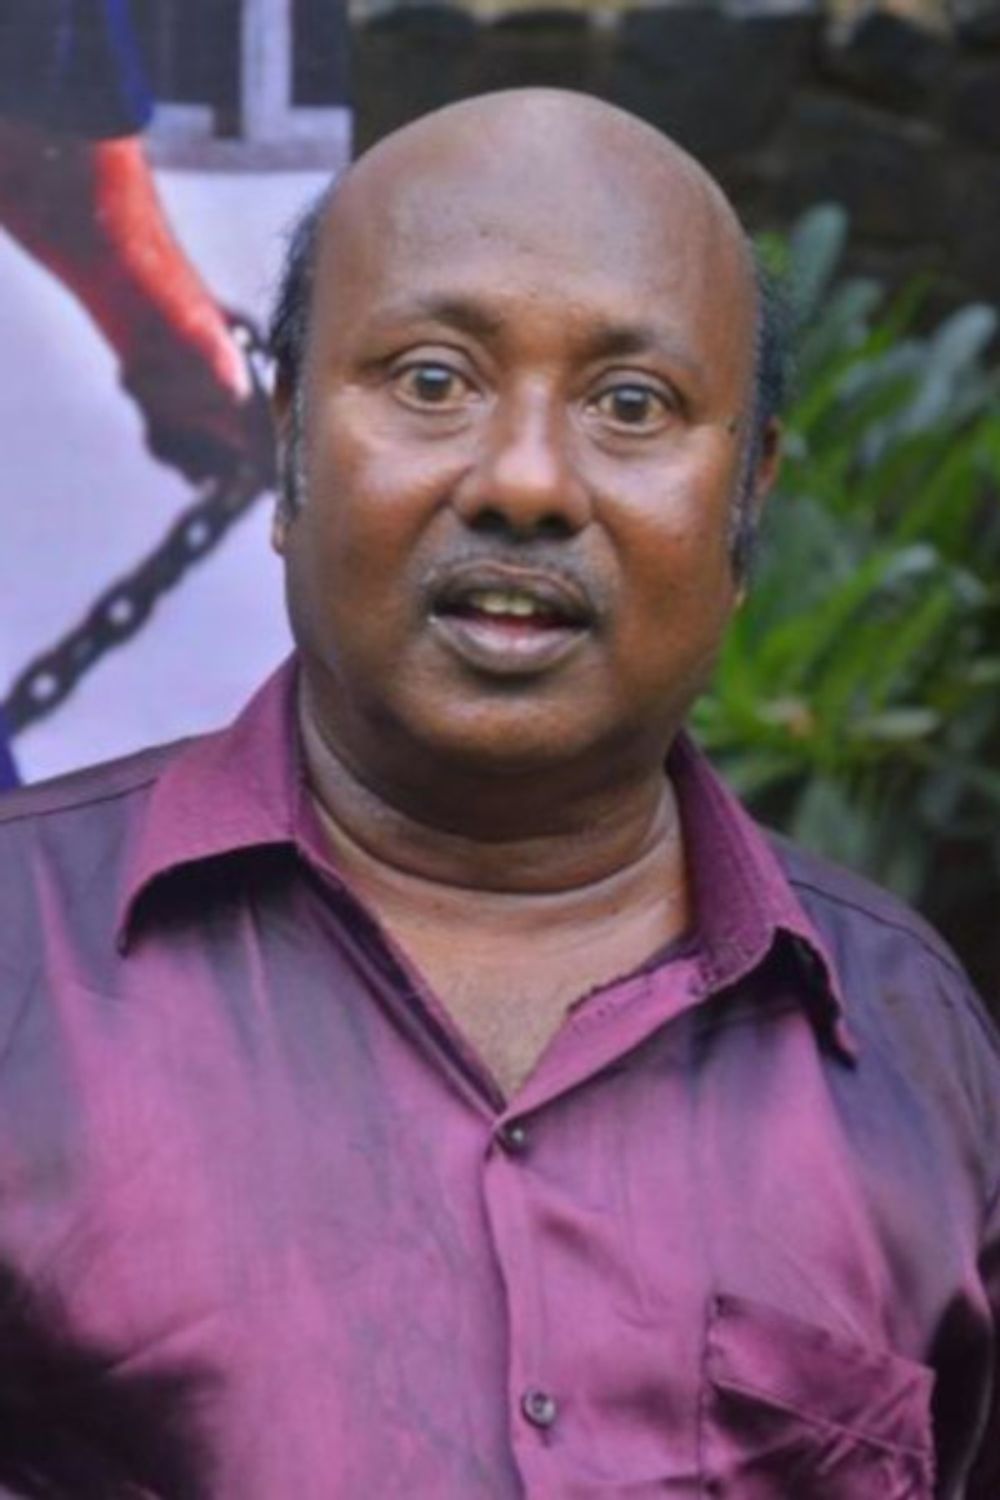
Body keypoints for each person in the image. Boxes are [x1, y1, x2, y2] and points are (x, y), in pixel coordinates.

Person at [0, 88, 995, 1498]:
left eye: (632, 404)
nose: (526, 482)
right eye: (431, 381)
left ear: (748, 498)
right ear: (287, 446)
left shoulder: (906, 1045)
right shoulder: (21, 958)